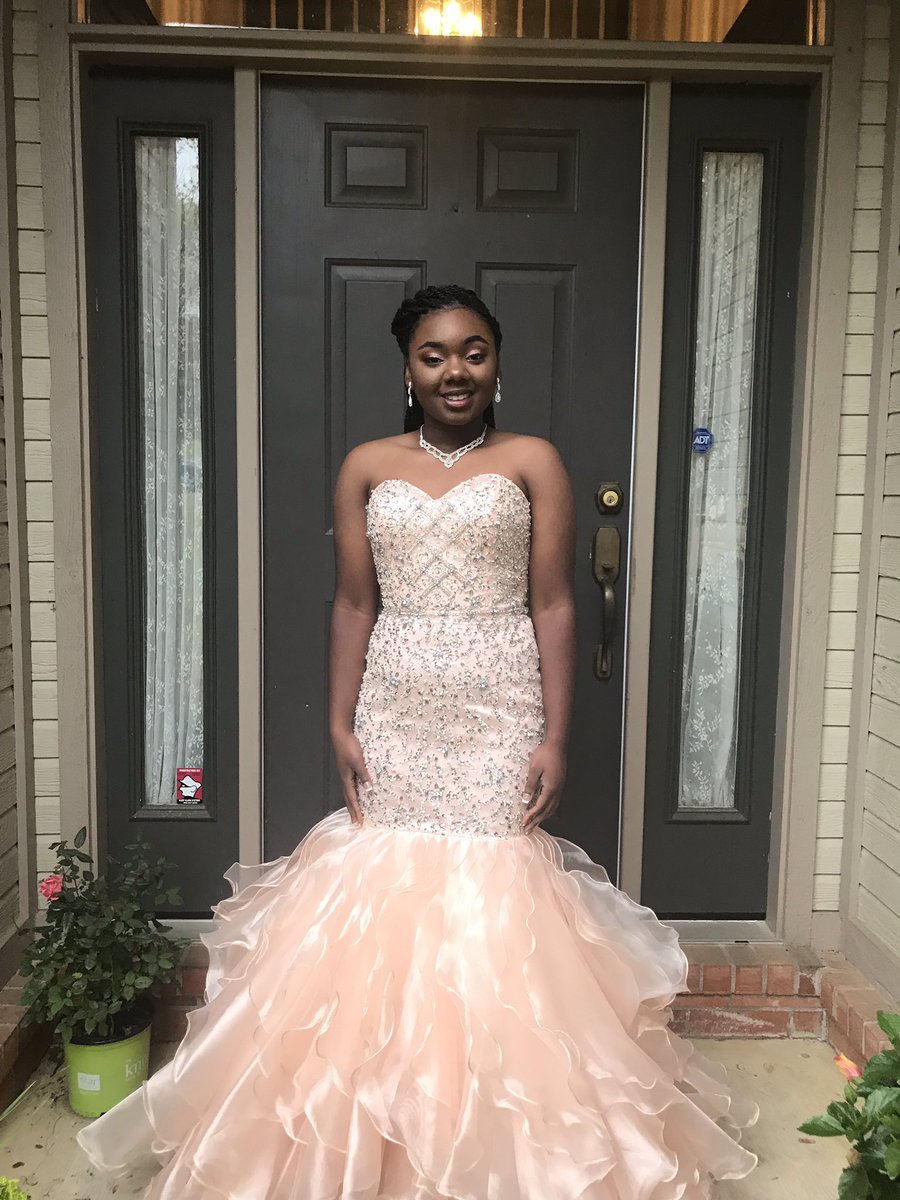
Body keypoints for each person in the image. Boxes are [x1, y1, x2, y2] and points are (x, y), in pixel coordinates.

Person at [78, 285, 758, 1198]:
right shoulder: (366, 464)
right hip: (396, 703)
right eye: (435, 354)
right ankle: (370, 1146)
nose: (455, 371)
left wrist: (555, 734)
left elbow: (554, 601)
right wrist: (337, 720)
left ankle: (495, 1144)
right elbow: (355, 600)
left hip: (499, 699)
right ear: (407, 367)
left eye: (474, 352)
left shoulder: (534, 461)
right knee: (382, 884)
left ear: (497, 363)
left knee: (495, 895)